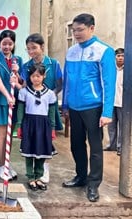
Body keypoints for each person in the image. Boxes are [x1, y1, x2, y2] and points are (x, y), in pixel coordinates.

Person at [62, 13, 116, 202]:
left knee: (95, 147)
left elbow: (109, 83)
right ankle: (81, 177)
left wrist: (107, 112)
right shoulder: (71, 52)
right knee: (76, 144)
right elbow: (67, 80)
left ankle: (93, 184)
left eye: (80, 30)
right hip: (74, 108)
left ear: (92, 28)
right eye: (74, 30)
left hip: (93, 107)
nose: (76, 34)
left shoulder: (104, 51)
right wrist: (65, 105)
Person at [21, 33, 63, 183]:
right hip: (32, 111)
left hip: (47, 109)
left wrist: (49, 95)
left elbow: (60, 84)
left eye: (34, 48)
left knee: (46, 139)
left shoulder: (54, 64)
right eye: (28, 49)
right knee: (33, 138)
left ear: (42, 47)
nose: (31, 51)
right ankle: (32, 172)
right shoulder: (26, 67)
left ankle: (45, 167)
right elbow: (24, 86)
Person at [16, 63, 57, 191]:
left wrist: (53, 128)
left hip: (43, 125)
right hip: (29, 123)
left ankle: (39, 176)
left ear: (44, 76)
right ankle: (31, 178)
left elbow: (51, 112)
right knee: (29, 153)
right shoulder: (24, 92)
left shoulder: (50, 94)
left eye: (38, 76)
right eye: (33, 76)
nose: (36, 78)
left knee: (42, 152)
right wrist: (19, 126)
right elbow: (20, 110)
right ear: (30, 77)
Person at [0, 30, 23, 181]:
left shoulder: (18, 60)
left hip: (15, 101)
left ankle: (7, 164)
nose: (7, 46)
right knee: (2, 134)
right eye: (4, 44)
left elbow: (22, 82)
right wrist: (8, 96)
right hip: (1, 101)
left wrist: (18, 74)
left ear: (14, 44)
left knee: (10, 135)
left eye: (10, 44)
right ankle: (1, 165)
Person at [103, 48, 124, 156]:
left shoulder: (128, 71)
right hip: (111, 102)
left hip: (123, 103)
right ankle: (112, 145)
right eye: (118, 56)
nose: (120, 58)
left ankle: (120, 147)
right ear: (114, 57)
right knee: (111, 126)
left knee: (122, 126)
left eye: (122, 56)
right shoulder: (111, 70)